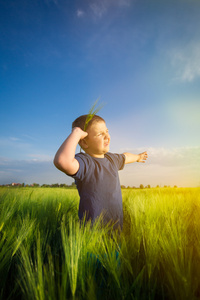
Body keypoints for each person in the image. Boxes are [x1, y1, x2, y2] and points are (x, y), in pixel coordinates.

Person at [54, 115, 148, 230]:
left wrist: (138, 157)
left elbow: (126, 157)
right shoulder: (85, 163)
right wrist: (76, 133)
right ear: (84, 143)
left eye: (107, 131)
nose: (107, 136)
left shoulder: (112, 159)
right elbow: (62, 161)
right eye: (100, 134)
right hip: (92, 231)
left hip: (116, 228)